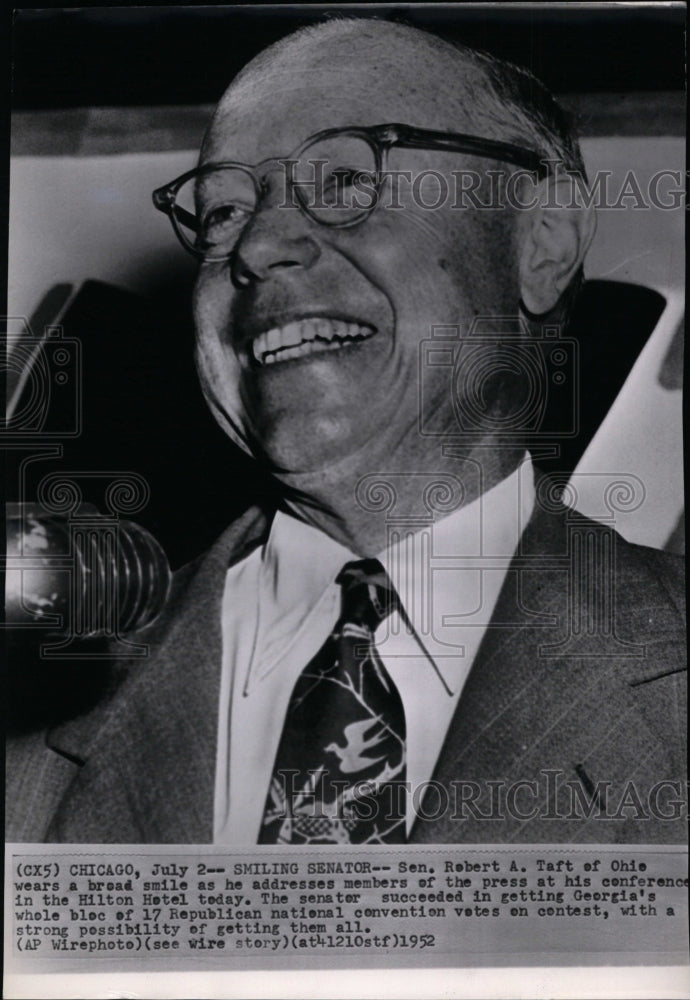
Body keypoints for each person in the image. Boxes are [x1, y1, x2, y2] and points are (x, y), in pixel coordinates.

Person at [6, 18, 685, 844]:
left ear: (542, 242)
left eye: (342, 181)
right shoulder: (32, 711)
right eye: (221, 210)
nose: (256, 244)